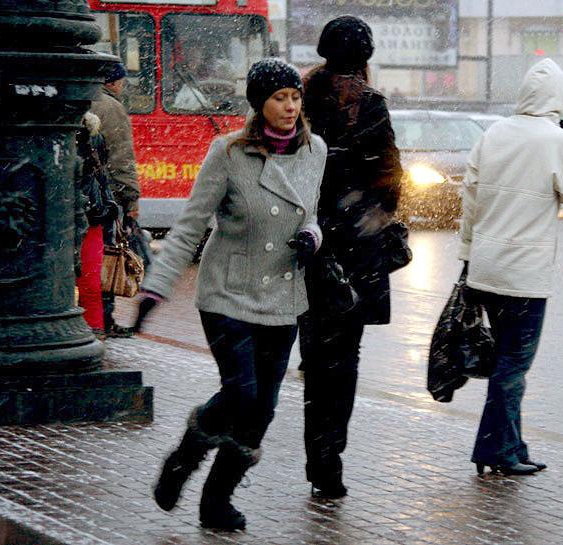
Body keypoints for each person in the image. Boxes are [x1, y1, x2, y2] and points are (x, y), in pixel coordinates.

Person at [133, 58, 326, 531]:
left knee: (262, 407)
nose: (290, 106)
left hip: (283, 296)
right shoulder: (228, 152)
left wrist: (313, 237)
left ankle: (216, 501)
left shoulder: (315, 150)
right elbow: (190, 226)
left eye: (295, 97)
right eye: (279, 98)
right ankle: (184, 457)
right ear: (259, 105)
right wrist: (156, 287)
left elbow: (311, 215)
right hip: (227, 294)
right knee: (242, 392)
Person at [458, 58, 563, 476]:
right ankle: (495, 451)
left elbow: (470, 198)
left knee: (505, 361)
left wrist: (466, 256)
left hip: (485, 269)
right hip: (524, 276)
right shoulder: (555, 140)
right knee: (513, 368)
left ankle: (512, 446)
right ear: (559, 97)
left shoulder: (495, 133)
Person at [300, 15, 402, 499]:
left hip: (307, 244)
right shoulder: (371, 103)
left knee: (315, 355)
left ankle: (315, 452)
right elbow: (389, 179)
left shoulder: (301, 97)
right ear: (366, 55)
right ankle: (328, 461)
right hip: (356, 250)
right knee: (344, 359)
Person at [90, 62, 142, 338]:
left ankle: (93, 316)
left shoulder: (83, 99)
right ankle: (104, 319)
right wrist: (131, 199)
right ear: (112, 82)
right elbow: (122, 160)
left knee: (88, 258)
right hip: (103, 198)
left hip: (81, 194)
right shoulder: (111, 108)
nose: (123, 86)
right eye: (122, 81)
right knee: (108, 256)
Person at [74, 112, 118, 339]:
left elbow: (100, 174)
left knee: (90, 280)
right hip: (75, 216)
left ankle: (94, 328)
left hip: (90, 215)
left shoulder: (92, 135)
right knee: (88, 280)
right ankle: (92, 327)